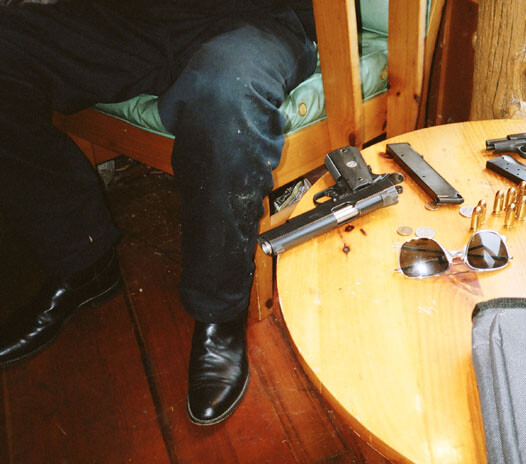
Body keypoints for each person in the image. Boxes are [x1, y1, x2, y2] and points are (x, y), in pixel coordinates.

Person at [0, 0, 316, 426]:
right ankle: (81, 258)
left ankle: (219, 310)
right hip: (135, 18)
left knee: (225, 92)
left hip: (252, 20)